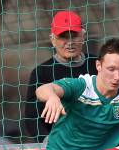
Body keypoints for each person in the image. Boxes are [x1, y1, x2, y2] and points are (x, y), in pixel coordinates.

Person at [24, 10, 97, 142]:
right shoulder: (42, 72)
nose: (69, 42)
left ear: (83, 36)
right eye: (63, 37)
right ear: (52, 40)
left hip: (98, 141)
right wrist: (46, 141)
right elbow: (32, 116)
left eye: (74, 36)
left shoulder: (98, 64)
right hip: (61, 146)